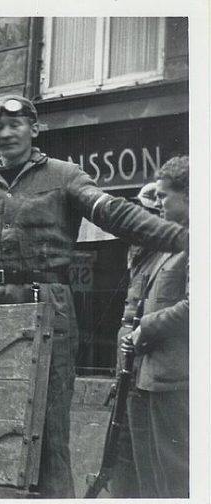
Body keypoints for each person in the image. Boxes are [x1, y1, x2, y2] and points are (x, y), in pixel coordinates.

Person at [0, 95, 189, 498]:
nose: (5, 134)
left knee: (48, 426)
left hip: (48, 309)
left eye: (15, 124)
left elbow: (113, 213)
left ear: (34, 129)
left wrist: (182, 238)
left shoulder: (65, 175)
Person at [120, 156, 189, 498]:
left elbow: (196, 305)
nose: (158, 202)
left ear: (189, 195)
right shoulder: (170, 244)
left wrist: (144, 328)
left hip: (177, 379)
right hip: (150, 376)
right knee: (151, 473)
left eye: (164, 197)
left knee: (176, 474)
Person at [111, 182, 163, 498]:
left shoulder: (168, 255)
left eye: (143, 213)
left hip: (148, 371)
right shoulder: (138, 254)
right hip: (127, 370)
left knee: (147, 459)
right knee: (123, 453)